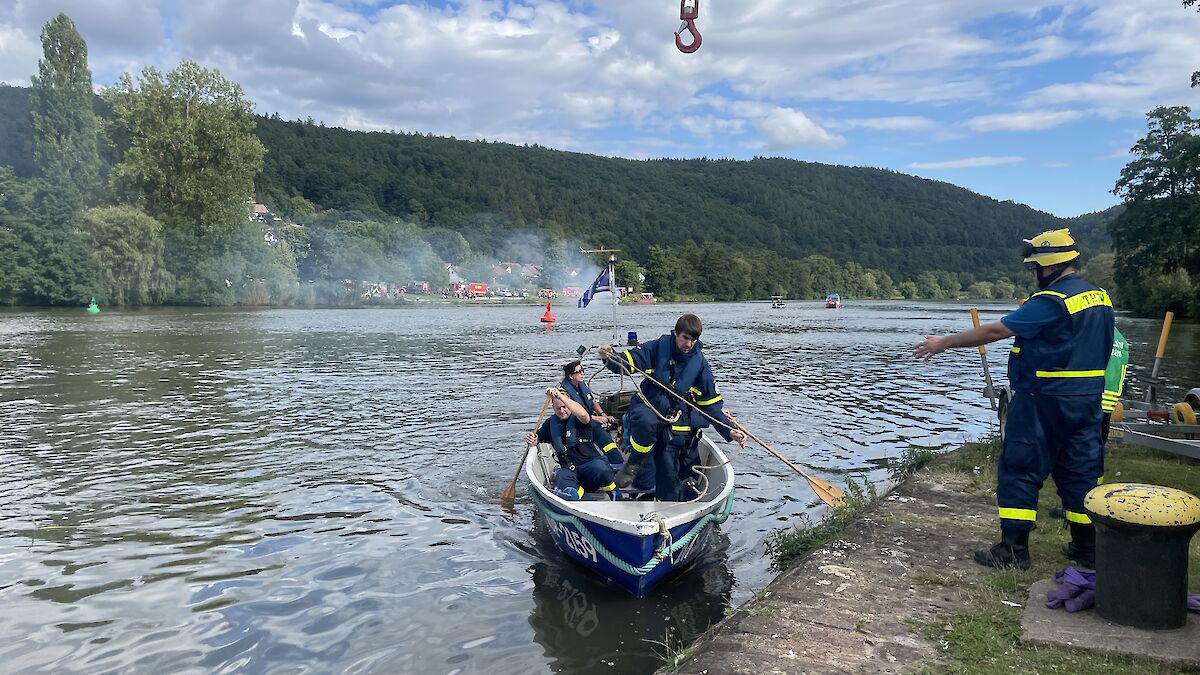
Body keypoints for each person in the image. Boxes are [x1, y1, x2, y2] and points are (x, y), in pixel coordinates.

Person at [914, 228, 1114, 570]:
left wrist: (943, 342)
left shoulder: (1051, 301)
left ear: (1048, 267)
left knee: (1020, 468)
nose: (1031, 273)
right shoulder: (1099, 297)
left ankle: (1012, 550)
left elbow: (996, 331)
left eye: (1033, 267)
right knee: (1080, 471)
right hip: (1087, 401)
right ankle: (1087, 548)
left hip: (1043, 399)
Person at [599, 313, 746, 501]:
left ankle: (666, 511)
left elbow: (711, 406)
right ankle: (633, 464)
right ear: (676, 334)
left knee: (669, 475)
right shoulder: (656, 349)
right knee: (645, 422)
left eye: (694, 340)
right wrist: (609, 356)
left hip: (674, 423)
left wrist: (730, 431)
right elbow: (628, 362)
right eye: (686, 338)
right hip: (648, 407)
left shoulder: (700, 366)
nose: (689, 344)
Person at [526, 388, 619, 501]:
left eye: (564, 406)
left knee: (601, 469)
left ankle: (615, 495)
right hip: (570, 469)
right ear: (554, 408)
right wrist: (533, 440)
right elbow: (539, 438)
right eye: (558, 408)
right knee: (561, 478)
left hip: (590, 464)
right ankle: (587, 502)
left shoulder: (580, 419)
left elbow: (583, 415)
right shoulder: (550, 424)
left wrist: (560, 396)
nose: (561, 411)